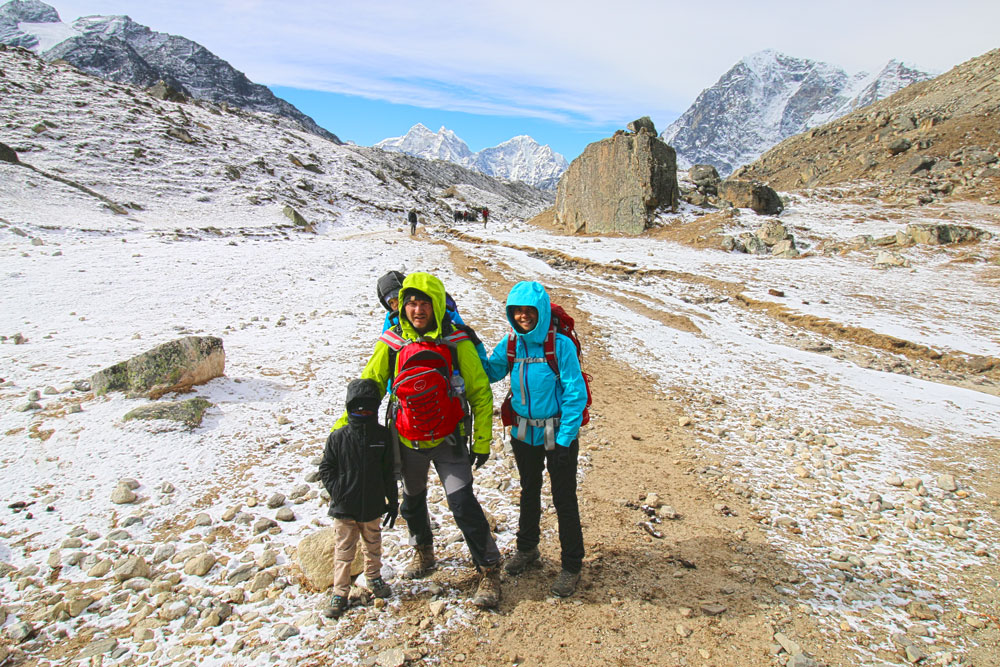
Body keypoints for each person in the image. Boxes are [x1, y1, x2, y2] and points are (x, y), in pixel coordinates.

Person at [335, 272, 502, 608]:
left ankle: (489, 569)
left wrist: (482, 441)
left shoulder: (457, 342)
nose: (417, 308)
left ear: (437, 304)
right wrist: (343, 433)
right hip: (407, 440)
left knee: (462, 503)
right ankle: (424, 552)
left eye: (424, 302)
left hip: (450, 438)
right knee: (412, 501)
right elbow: (369, 388)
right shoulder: (392, 343)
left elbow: (480, 393)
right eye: (410, 302)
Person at [485, 281, 588, 597]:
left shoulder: (560, 346)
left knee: (563, 497)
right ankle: (528, 549)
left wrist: (566, 439)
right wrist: (472, 346)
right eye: (517, 310)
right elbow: (492, 371)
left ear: (541, 312)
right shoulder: (512, 342)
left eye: (529, 310)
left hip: (557, 433)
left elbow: (575, 393)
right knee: (529, 490)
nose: (523, 316)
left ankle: (571, 565)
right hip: (523, 431)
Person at [319, 378, 399, 619]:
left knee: (373, 546)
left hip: (373, 506)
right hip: (344, 509)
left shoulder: (382, 436)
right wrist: (338, 491)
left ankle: (373, 579)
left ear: (375, 408)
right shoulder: (338, 437)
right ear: (349, 408)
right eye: (358, 407)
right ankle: (340, 593)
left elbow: (388, 472)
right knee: (344, 552)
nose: (363, 412)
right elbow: (326, 468)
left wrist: (392, 501)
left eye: (368, 407)